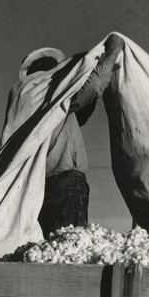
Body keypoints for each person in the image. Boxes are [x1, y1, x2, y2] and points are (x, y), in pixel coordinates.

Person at [17, 34, 125, 237]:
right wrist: (112, 54)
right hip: (65, 183)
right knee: (68, 242)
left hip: (39, 188)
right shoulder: (53, 96)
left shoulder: (29, 102)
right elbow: (92, 88)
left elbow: (79, 113)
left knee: (49, 247)